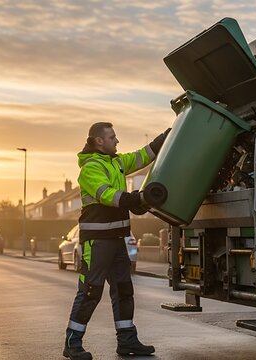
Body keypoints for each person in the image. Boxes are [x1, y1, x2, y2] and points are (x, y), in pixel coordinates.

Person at [63, 122, 170, 360]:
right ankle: (72, 343)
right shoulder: (90, 168)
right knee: (90, 291)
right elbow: (107, 195)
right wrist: (136, 199)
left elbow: (142, 156)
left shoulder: (117, 162)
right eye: (112, 137)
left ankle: (127, 340)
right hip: (97, 242)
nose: (117, 141)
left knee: (123, 290)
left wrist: (166, 136)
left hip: (118, 239)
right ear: (99, 141)